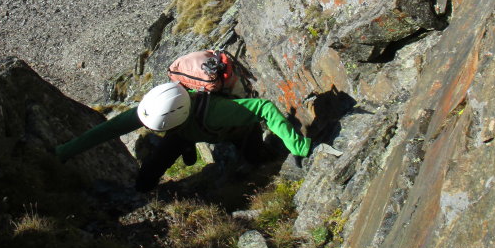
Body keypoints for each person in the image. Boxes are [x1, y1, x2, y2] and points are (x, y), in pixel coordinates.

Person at [55, 81, 312, 191]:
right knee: (152, 169)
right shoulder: (152, 109)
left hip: (237, 130)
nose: (151, 129)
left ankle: (264, 157)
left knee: (257, 160)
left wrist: (297, 144)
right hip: (191, 130)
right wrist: (65, 151)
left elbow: (264, 108)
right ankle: (145, 188)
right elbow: (108, 130)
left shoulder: (219, 112)